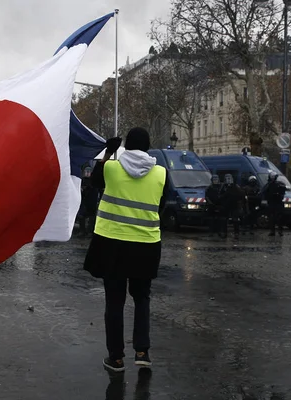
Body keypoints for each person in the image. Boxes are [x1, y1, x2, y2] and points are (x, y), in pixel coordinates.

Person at [84, 127, 167, 373]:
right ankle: (142, 351)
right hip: (146, 245)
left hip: (113, 244)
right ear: (148, 146)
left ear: (126, 146)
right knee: (142, 299)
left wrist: (109, 152)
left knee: (115, 301)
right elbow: (160, 205)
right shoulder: (161, 173)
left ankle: (116, 358)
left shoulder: (111, 168)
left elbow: (94, 182)